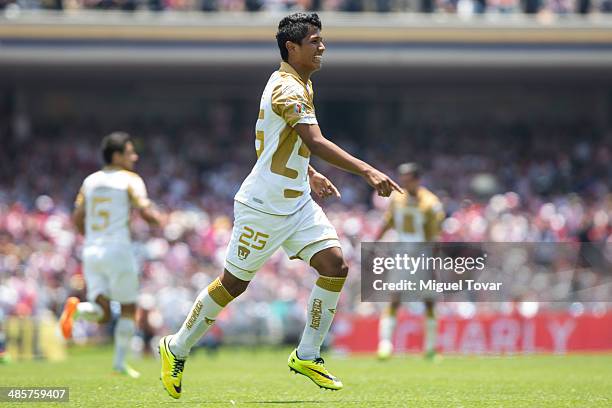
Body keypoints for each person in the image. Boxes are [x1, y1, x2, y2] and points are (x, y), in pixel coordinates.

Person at [159, 12, 401, 399]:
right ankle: (177, 346)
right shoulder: (286, 89)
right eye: (314, 41)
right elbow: (315, 140)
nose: (322, 47)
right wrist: (367, 171)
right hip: (263, 206)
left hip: (297, 201)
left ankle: (307, 354)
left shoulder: (300, 83)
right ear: (292, 47)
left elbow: (272, 144)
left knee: (335, 266)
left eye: (322, 40)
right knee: (233, 285)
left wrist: (307, 174)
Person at [59, 132, 163, 378]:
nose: (135, 157)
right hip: (118, 249)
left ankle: (77, 310)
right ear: (117, 156)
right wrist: (158, 219)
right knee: (128, 308)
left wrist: (91, 237)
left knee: (102, 311)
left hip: (92, 251)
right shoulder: (130, 179)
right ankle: (119, 364)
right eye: (130, 152)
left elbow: (76, 217)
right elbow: (146, 212)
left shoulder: (90, 181)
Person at [375, 163, 445, 360]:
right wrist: (375, 242)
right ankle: (385, 345)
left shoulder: (431, 203)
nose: (404, 184)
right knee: (395, 298)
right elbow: (388, 222)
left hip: (423, 255)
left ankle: (430, 348)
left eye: (407, 180)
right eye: (402, 180)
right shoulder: (397, 199)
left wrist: (434, 263)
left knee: (429, 301)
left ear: (417, 180)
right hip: (402, 254)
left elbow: (435, 237)